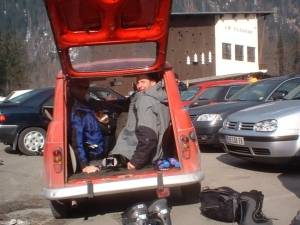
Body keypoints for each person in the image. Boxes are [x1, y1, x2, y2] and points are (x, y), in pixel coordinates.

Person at [111, 73, 170, 170]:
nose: (139, 86)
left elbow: (149, 137)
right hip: (158, 156)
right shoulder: (162, 99)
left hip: (144, 160)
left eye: (143, 82)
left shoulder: (145, 100)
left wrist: (136, 161)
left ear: (153, 82)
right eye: (137, 82)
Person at [69, 79, 105, 174]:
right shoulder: (76, 111)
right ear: (72, 88)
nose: (84, 91)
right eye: (80, 87)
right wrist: (84, 165)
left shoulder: (87, 104)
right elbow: (77, 141)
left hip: (100, 154)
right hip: (91, 159)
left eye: (86, 88)